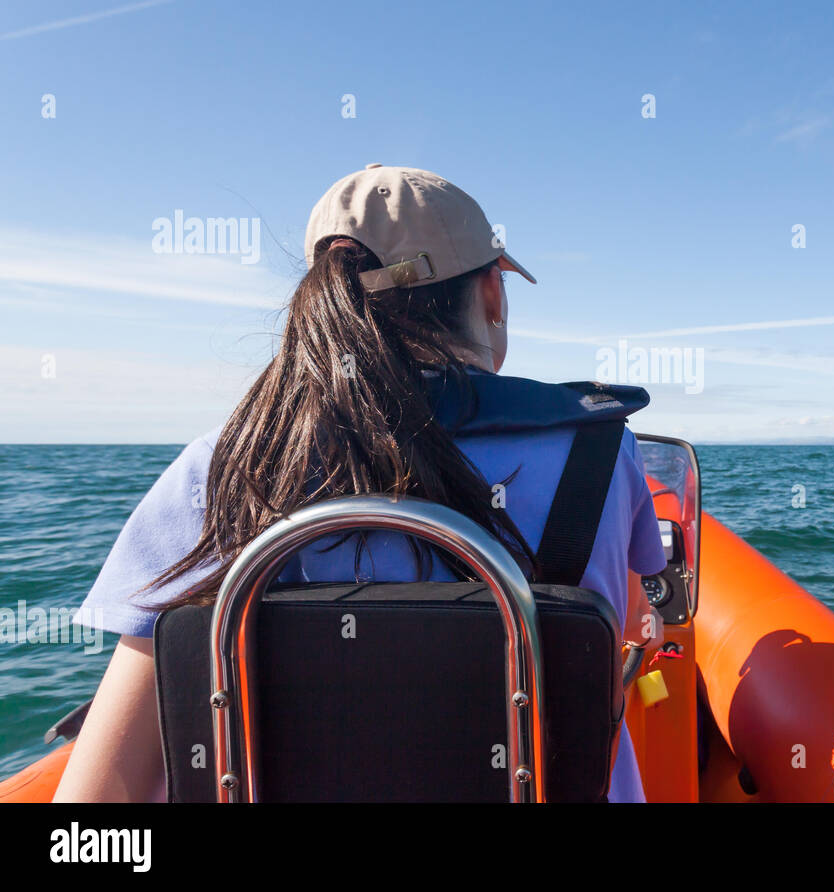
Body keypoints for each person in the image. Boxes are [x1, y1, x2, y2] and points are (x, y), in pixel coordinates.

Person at [54, 164, 665, 802]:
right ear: (492, 295)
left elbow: (97, 797)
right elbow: (637, 611)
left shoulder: (225, 467)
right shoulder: (600, 448)